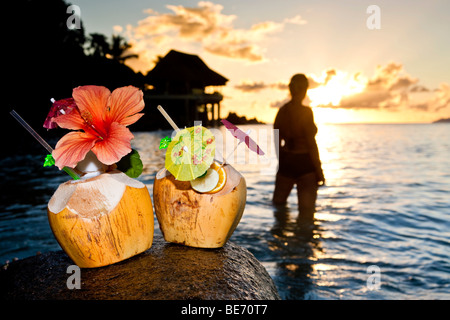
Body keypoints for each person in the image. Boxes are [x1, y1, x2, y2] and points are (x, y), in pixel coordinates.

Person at [273, 73, 325, 223]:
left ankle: (280, 243)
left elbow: (276, 141)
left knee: (279, 210)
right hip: (305, 163)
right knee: (306, 214)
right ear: (305, 90)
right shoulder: (306, 112)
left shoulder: (282, 111)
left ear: (290, 89)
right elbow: (311, 143)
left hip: (286, 162)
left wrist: (281, 161)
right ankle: (302, 244)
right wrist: (319, 170)